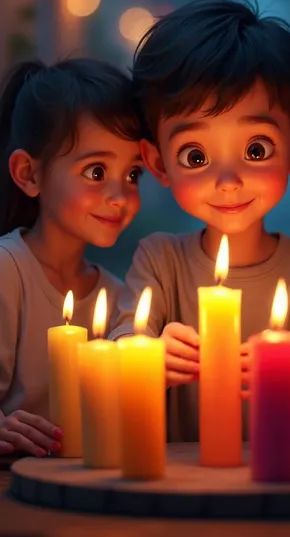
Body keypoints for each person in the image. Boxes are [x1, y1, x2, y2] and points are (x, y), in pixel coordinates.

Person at [109, 0, 290, 441]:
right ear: (158, 163)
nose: (228, 180)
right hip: (179, 485)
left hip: (281, 483)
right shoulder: (159, 261)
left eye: (256, 149)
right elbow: (122, 342)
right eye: (195, 156)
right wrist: (149, 357)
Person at [0, 58, 143, 457]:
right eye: (96, 172)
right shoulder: (8, 271)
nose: (120, 196)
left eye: (133, 174)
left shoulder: (116, 297)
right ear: (29, 174)